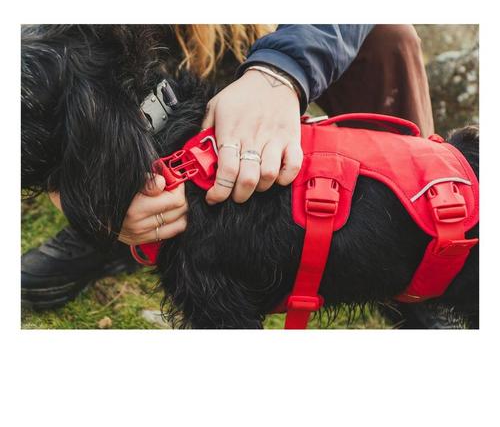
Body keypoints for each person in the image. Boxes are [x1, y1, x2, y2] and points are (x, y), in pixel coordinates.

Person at [22, 24, 442, 327]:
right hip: (151, 80)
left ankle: (416, 225)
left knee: (389, 36)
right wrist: (75, 194)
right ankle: (119, 219)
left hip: (264, 43)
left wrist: (281, 71)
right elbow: (45, 54)